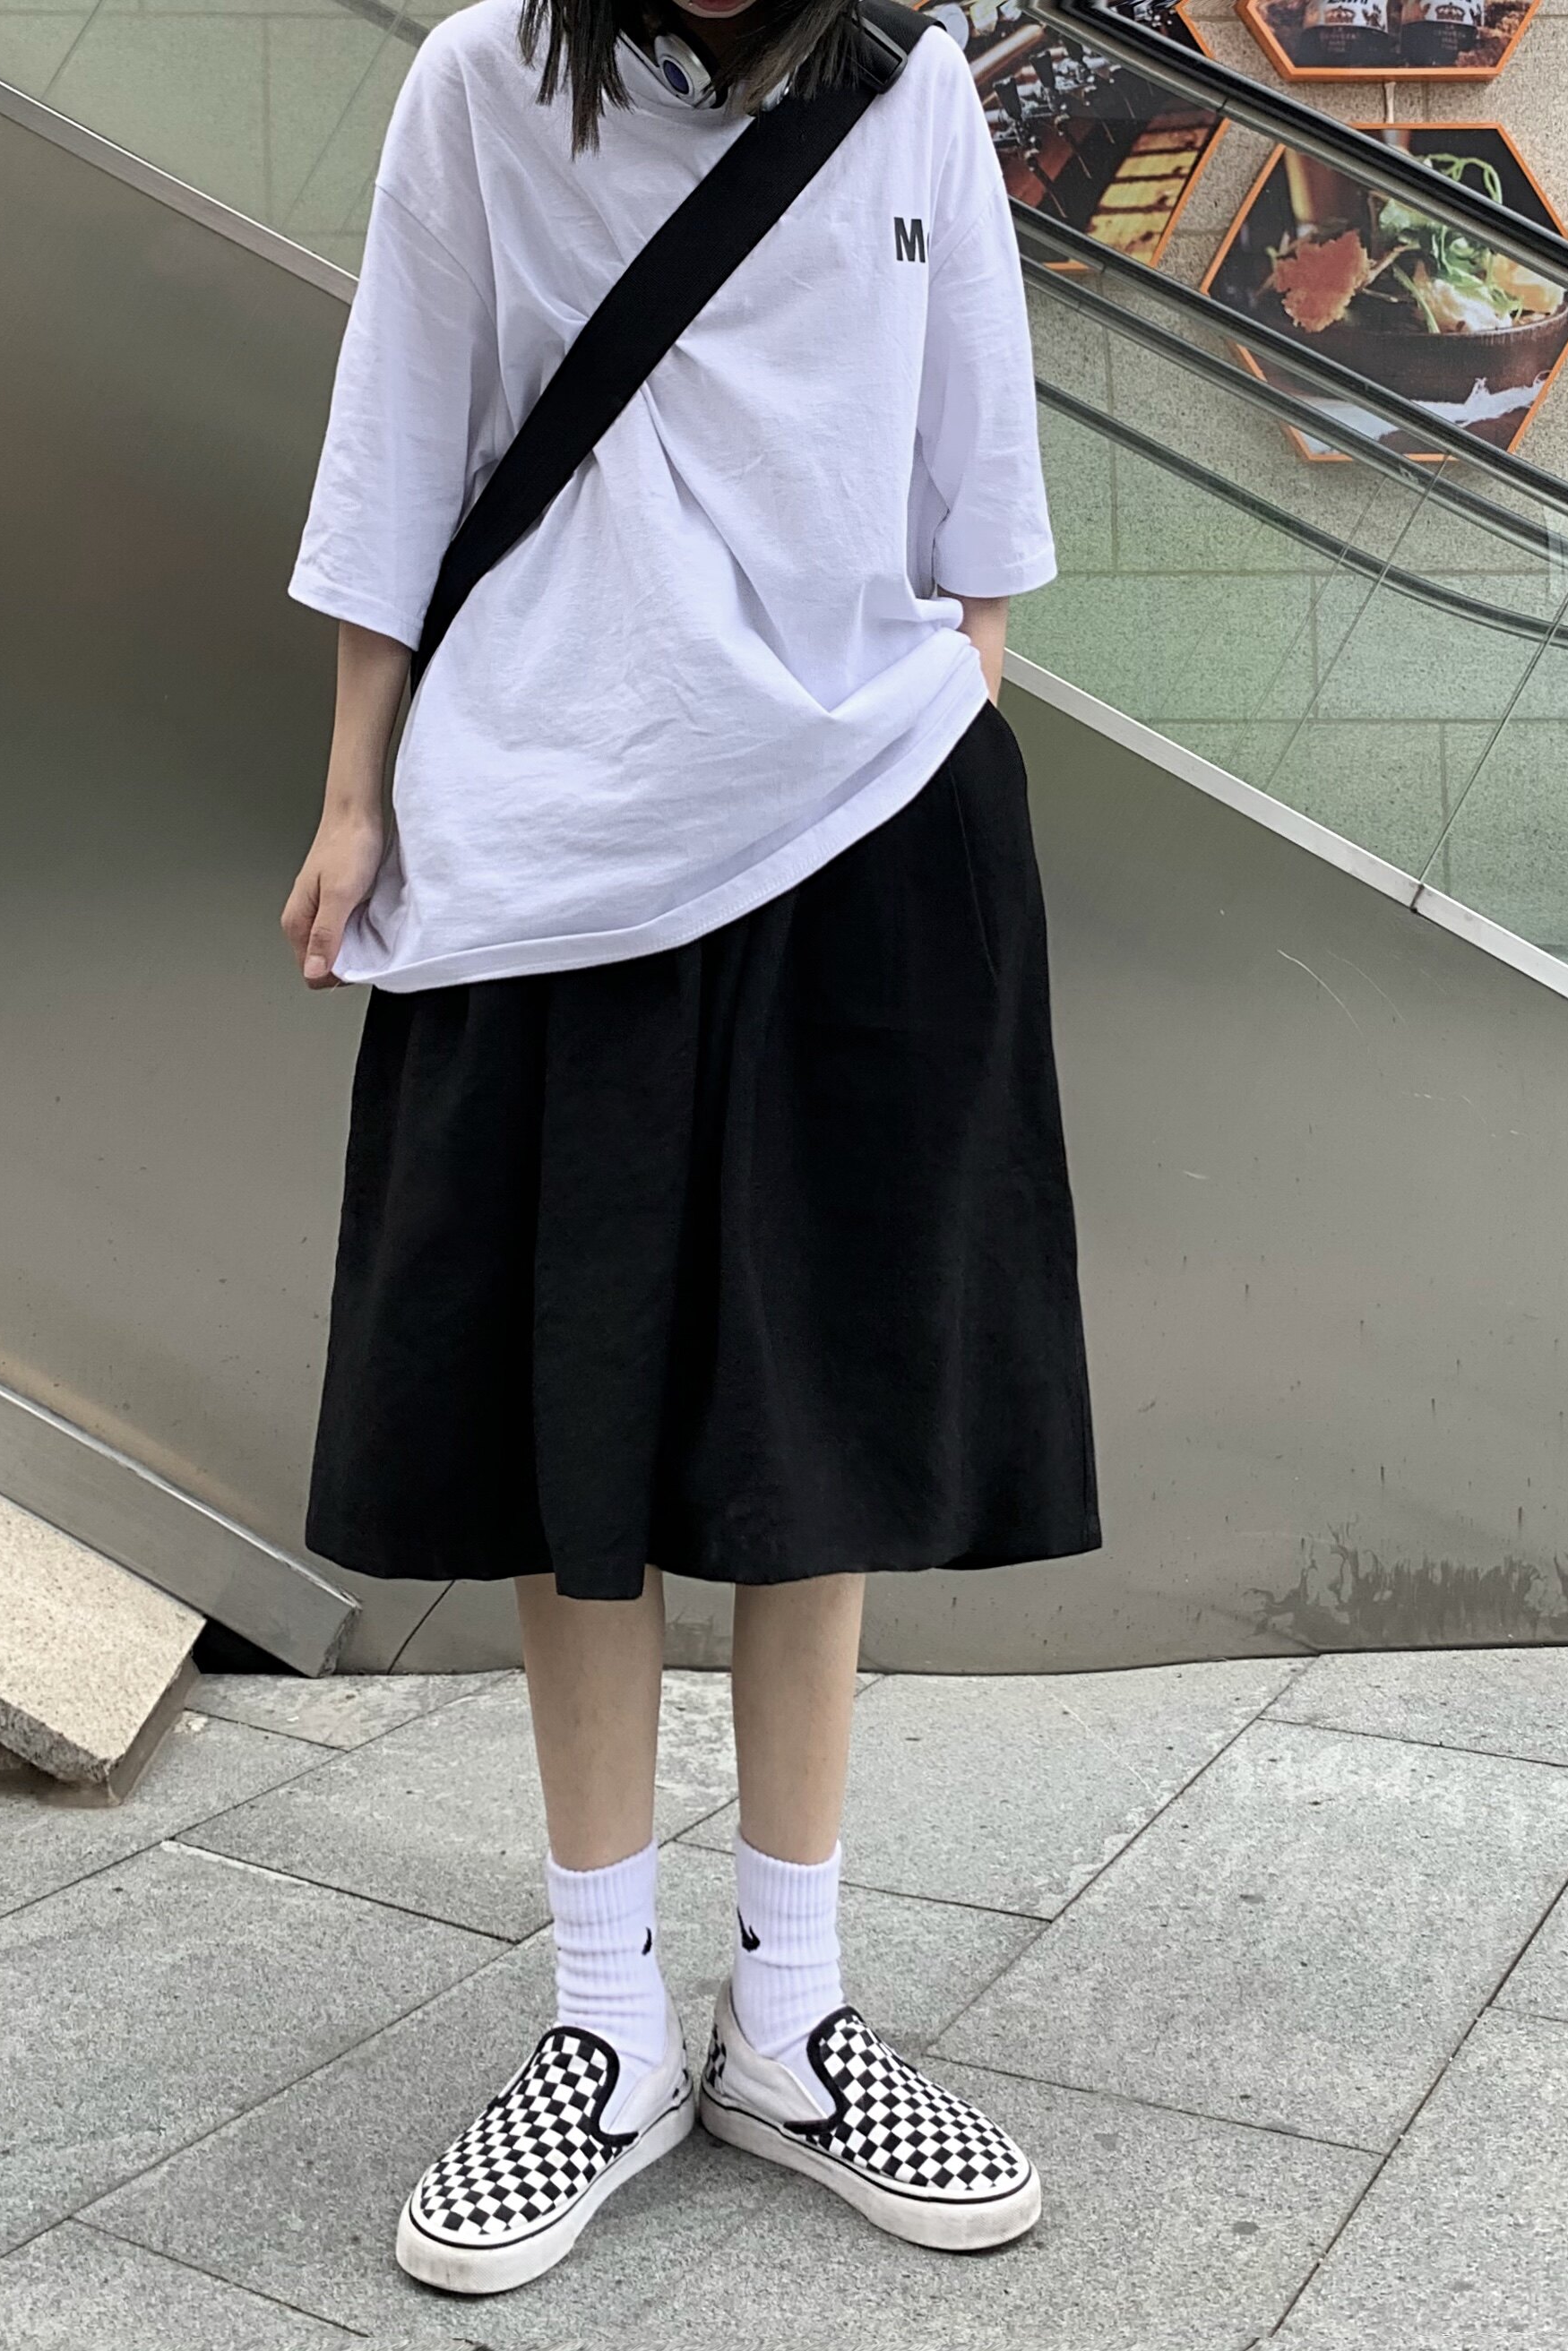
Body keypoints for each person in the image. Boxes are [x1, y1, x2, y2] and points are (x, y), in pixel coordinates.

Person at [280, 0, 1098, 2297]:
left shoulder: (908, 79)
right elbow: (400, 440)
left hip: (854, 827)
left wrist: (923, 720)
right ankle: (605, 2021)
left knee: (808, 1426)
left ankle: (793, 2017)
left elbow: (975, 476)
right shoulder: (482, 81)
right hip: (554, 836)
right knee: (579, 1443)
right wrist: (353, 798)